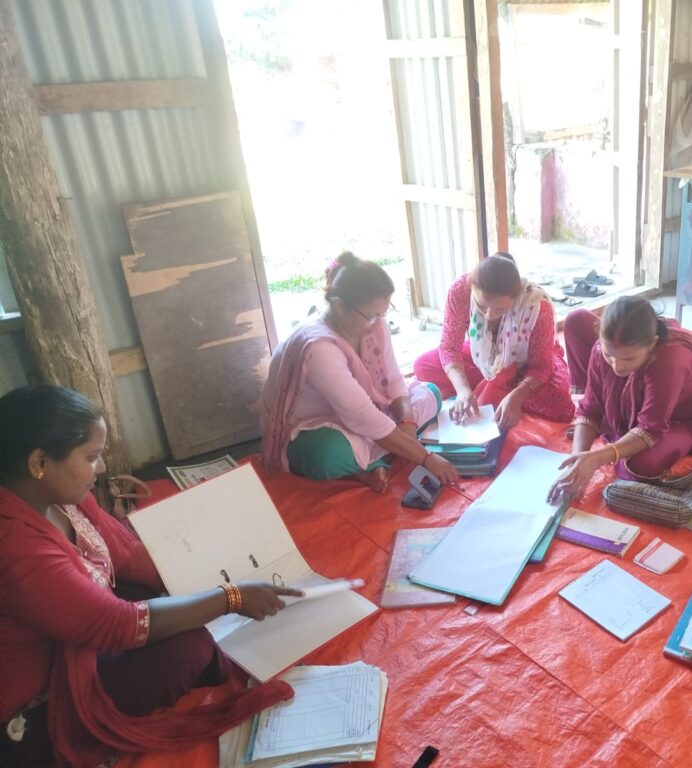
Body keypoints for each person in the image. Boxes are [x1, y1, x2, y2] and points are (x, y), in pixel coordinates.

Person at [0, 385, 302, 768]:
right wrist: (229, 597)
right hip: (40, 702)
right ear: (39, 462)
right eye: (91, 457)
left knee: (166, 599)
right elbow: (117, 625)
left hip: (77, 635)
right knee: (188, 648)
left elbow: (125, 554)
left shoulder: (60, 498)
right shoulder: (14, 546)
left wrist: (208, 573)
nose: (102, 468)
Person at [261, 253, 459, 492]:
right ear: (339, 306)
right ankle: (369, 464)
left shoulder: (374, 325)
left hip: (367, 415)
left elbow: (394, 381)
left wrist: (407, 424)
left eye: (384, 313)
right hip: (315, 427)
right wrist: (425, 458)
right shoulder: (319, 348)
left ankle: (379, 456)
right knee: (326, 454)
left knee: (430, 394)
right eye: (372, 315)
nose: (379, 323)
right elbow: (362, 416)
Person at [548, 297, 692, 502]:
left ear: (652, 344)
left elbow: (650, 428)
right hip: (640, 411)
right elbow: (590, 409)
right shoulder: (601, 349)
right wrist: (577, 461)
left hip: (681, 420)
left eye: (628, 358)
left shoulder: (670, 360)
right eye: (610, 356)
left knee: (636, 466)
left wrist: (596, 459)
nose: (617, 366)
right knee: (577, 320)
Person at [412, 253, 573, 431]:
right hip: (482, 353)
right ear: (472, 287)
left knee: (560, 403)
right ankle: (494, 386)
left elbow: (541, 367)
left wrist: (517, 396)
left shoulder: (535, 306)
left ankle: (495, 386)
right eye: (481, 305)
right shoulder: (460, 291)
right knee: (423, 365)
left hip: (525, 364)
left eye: (500, 309)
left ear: (516, 297)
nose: (489, 315)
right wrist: (463, 390)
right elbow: (449, 348)